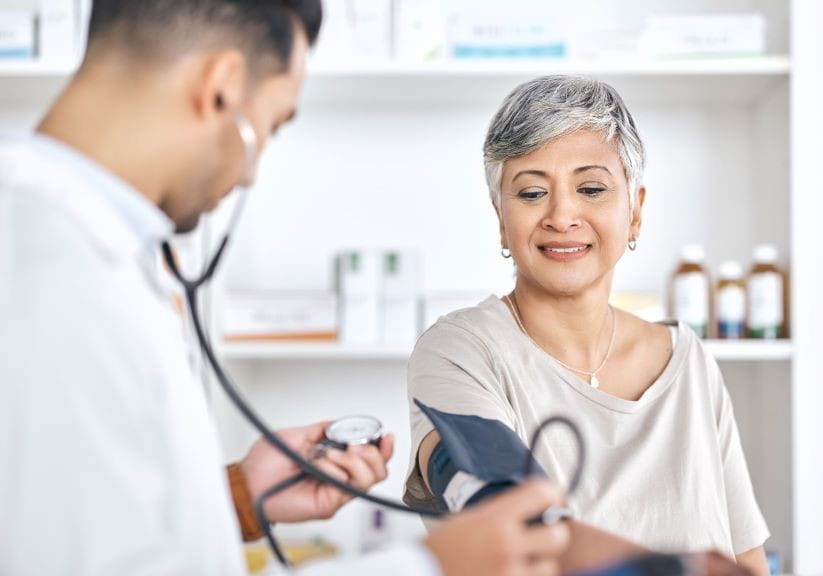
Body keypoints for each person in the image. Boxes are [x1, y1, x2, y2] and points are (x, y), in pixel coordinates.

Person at [0, 2, 572, 575]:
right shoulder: (57, 275)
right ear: (219, 88)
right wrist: (430, 567)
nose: (248, 173)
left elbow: (84, 525)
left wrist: (237, 496)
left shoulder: (71, 244)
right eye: (270, 125)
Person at [404, 75, 771, 576]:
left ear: (635, 212)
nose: (562, 214)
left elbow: (746, 555)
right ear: (500, 219)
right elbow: (502, 514)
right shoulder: (460, 351)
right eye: (532, 192)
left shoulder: (687, 359)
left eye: (591, 188)